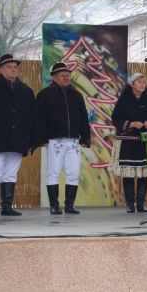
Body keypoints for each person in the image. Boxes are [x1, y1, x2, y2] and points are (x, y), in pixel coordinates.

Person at [0, 54, 36, 217]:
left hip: (18, 140)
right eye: (9, 67)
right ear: (1, 70)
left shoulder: (26, 91)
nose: (13, 70)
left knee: (10, 173)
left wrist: (31, 140)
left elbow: (32, 117)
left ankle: (7, 206)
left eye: (15, 67)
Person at [35, 62, 91, 215]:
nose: (66, 77)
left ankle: (69, 205)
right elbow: (38, 118)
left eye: (68, 75)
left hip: (73, 141)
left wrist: (85, 137)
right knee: (53, 172)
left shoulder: (76, 95)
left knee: (73, 172)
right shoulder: (45, 95)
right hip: (54, 141)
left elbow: (83, 118)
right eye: (62, 75)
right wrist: (41, 138)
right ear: (54, 77)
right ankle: (54, 205)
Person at [110, 72, 147, 213]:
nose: (143, 84)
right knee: (129, 172)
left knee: (144, 172)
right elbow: (115, 119)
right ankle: (130, 204)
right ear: (132, 84)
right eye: (139, 82)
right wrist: (131, 124)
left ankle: (140, 203)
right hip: (128, 142)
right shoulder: (124, 100)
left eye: (144, 82)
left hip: (145, 141)